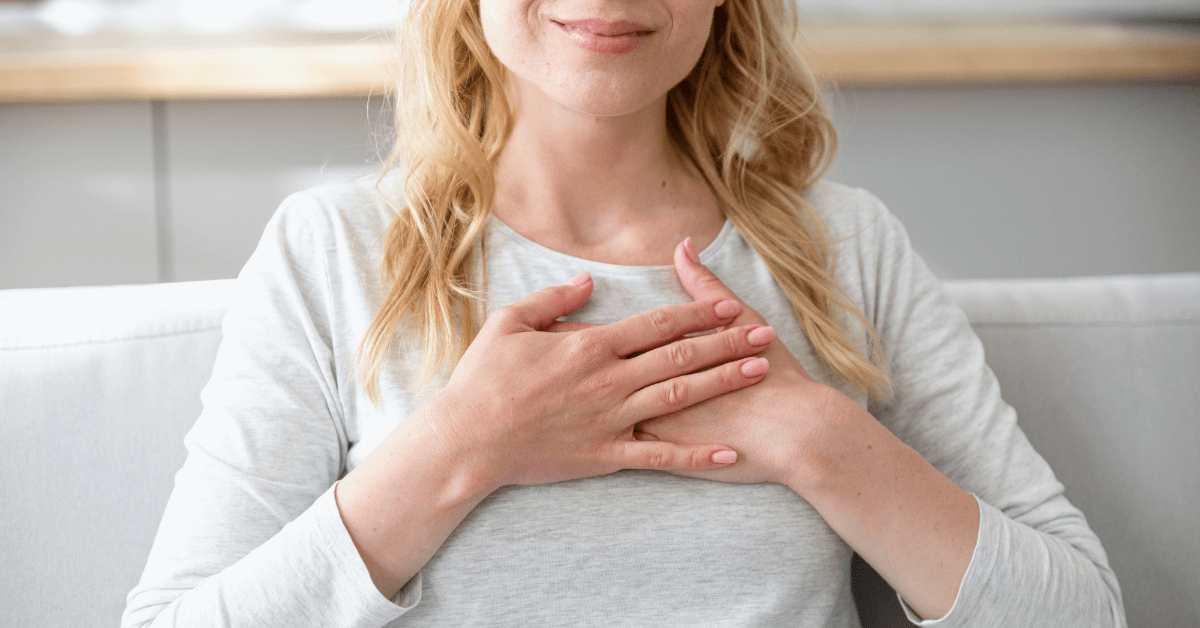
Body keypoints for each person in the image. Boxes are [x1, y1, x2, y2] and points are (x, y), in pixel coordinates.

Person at [122, 0, 1128, 625]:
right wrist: (463, 445)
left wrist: (820, 437)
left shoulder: (846, 250)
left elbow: (1083, 614)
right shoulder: (332, 251)